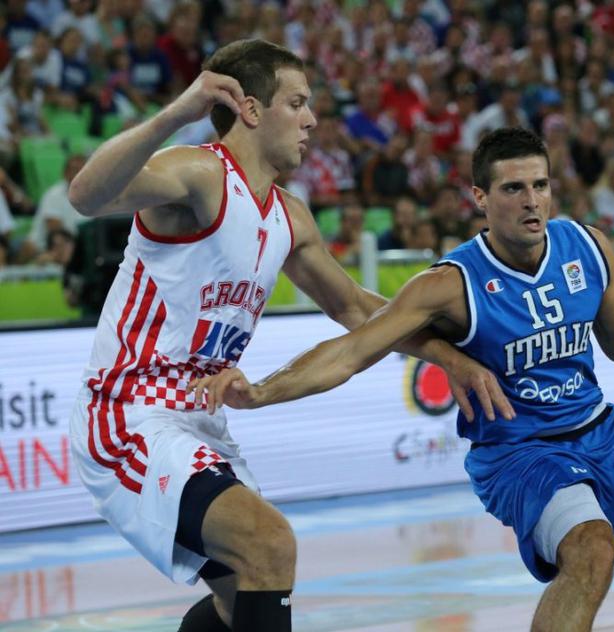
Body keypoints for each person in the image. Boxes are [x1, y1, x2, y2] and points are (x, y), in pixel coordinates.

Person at [189, 127, 614, 632]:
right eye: (513, 188)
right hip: (519, 453)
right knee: (592, 549)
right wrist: (262, 390)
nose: (532, 201)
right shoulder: (447, 284)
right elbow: (352, 349)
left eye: (541, 185)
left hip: (606, 434)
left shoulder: (588, 247)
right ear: (480, 197)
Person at [65, 39, 511, 632]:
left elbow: (354, 306)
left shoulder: (289, 215)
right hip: (130, 409)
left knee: (246, 590)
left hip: (201, 416)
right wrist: (176, 114)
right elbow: (85, 196)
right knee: (269, 543)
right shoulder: (199, 173)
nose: (312, 119)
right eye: (297, 103)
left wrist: (446, 356)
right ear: (251, 109)